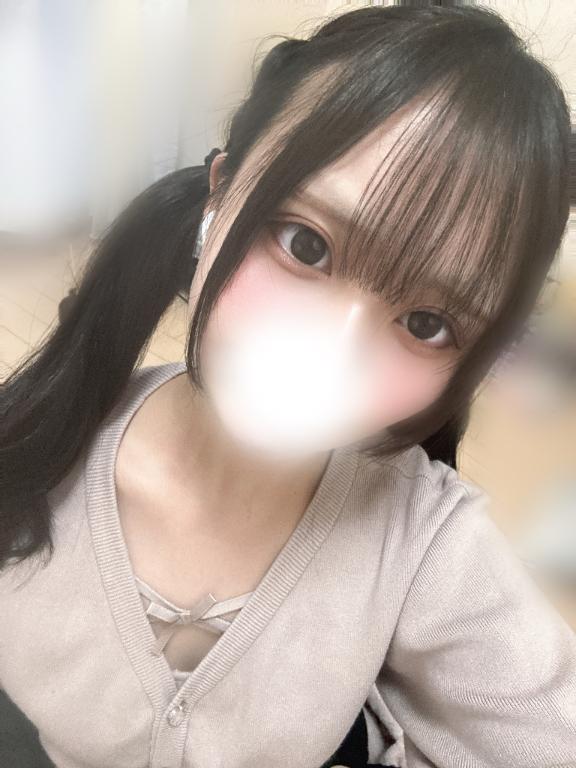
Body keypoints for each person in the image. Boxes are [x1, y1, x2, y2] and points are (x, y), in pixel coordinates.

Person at [1, 5, 575, 768]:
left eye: (428, 323)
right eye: (306, 244)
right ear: (220, 192)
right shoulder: (36, 446)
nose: (335, 353)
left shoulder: (422, 540)